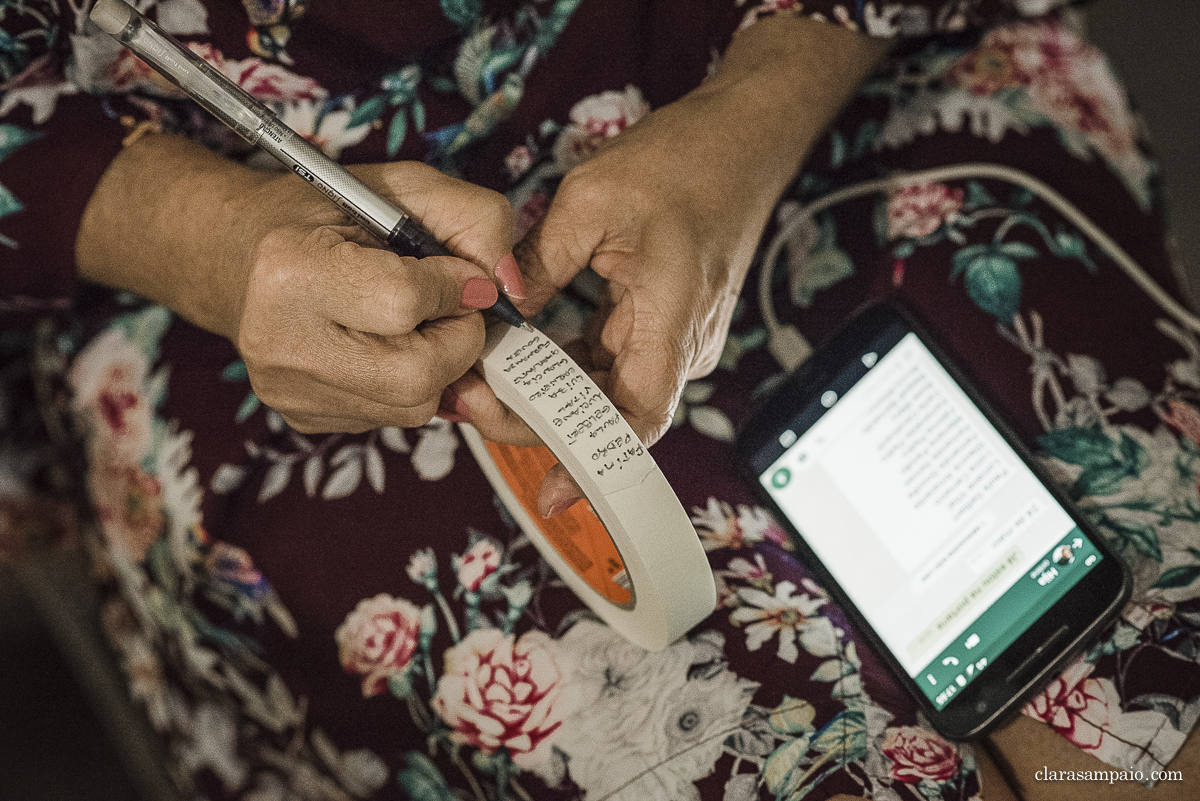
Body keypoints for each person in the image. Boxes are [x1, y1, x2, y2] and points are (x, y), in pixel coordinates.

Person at [2, 1, 1198, 800]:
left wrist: (761, 102)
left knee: (1142, 720)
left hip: (815, 62)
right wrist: (211, 240)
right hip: (234, 253)